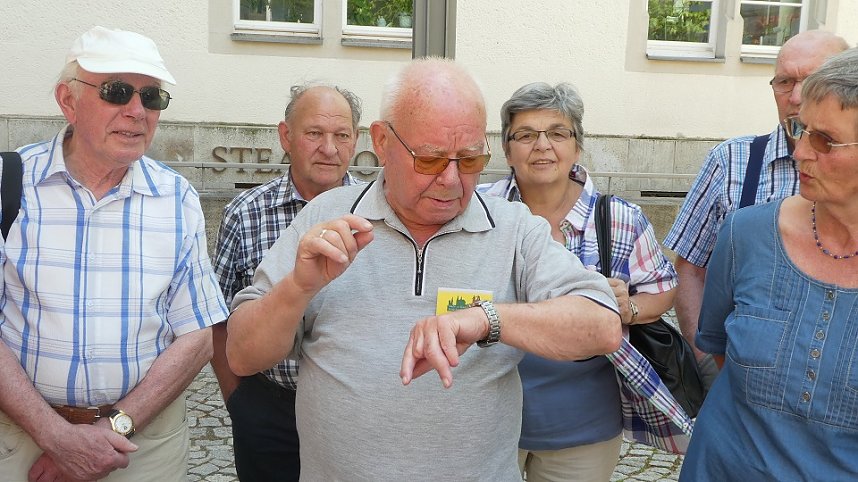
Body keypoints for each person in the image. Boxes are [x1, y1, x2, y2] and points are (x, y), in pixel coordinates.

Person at [224, 57, 622, 481]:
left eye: (469, 160)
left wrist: (487, 319)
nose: (451, 180)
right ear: (381, 141)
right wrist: (297, 288)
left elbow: (602, 325)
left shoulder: (514, 228)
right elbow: (243, 355)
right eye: (429, 160)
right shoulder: (325, 218)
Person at [0, 26, 228, 481]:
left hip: (141, 447)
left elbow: (198, 334)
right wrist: (55, 437)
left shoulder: (176, 197)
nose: (137, 111)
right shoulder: (8, 184)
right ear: (68, 100)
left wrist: (114, 427)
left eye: (152, 97)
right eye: (117, 91)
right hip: (20, 439)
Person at [479, 82, 684, 481]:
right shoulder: (480, 210)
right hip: (484, 416)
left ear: (577, 146)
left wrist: (629, 309)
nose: (542, 146)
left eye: (557, 133)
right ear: (506, 150)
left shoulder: (618, 217)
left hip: (583, 425)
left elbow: (663, 286)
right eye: (525, 135)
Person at [680, 47, 858, 480]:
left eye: (824, 141)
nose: (799, 152)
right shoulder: (747, 233)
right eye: (801, 130)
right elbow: (717, 344)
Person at [663, 30, 848, 389]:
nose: (795, 97)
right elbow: (690, 267)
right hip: (739, 381)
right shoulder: (732, 160)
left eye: (811, 80)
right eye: (784, 82)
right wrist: (706, 362)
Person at [209, 83, 363, 481]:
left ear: (357, 140)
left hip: (355, 412)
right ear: (286, 136)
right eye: (314, 133)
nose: (329, 148)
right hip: (270, 410)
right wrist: (239, 401)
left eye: (341, 135)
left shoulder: (378, 213)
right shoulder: (246, 214)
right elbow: (217, 318)